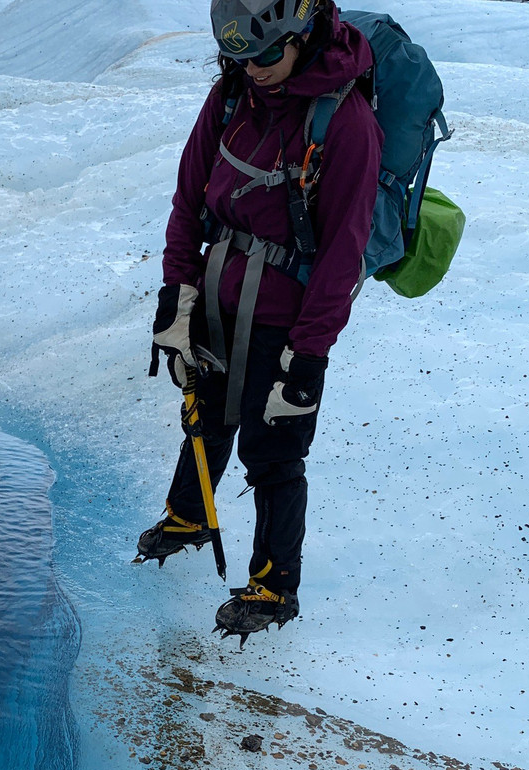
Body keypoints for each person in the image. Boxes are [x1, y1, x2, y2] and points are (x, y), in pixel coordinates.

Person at [137, 0, 383, 644]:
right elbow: (188, 199)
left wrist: (308, 358)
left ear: (304, 34)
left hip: (285, 316)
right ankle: (189, 514)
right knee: (205, 409)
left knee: (273, 449)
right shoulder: (231, 97)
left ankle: (276, 585)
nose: (255, 69)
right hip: (217, 295)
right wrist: (177, 295)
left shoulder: (345, 122)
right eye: (239, 56)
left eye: (268, 54)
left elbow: (342, 253)